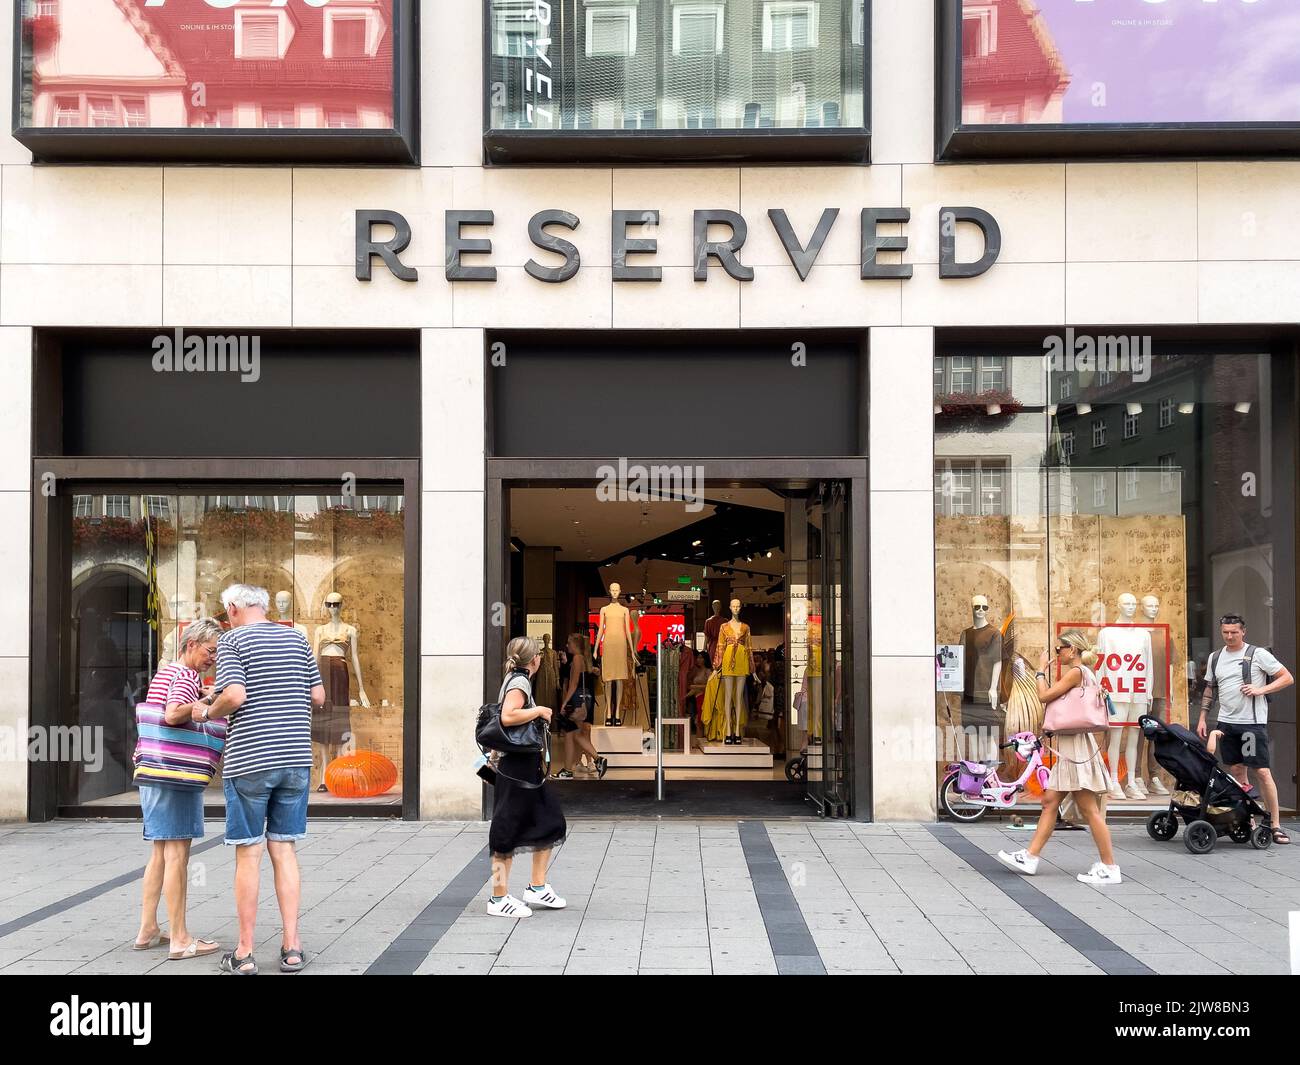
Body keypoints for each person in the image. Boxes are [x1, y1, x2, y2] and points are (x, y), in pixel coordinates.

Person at [205, 584, 326, 974]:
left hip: (251, 758)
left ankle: (244, 952)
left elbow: (235, 696)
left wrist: (208, 711)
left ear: (235, 608)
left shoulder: (232, 640)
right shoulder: (297, 638)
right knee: (284, 850)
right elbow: (319, 696)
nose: (226, 619)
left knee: (248, 852)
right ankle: (292, 946)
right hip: (295, 758)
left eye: (227, 612)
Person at [132, 618, 226, 960]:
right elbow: (173, 714)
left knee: (159, 853)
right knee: (177, 856)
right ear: (191, 645)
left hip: (152, 773)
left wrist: (203, 694)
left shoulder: (167, 672)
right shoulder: (186, 675)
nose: (212, 658)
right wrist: (205, 708)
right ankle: (180, 938)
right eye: (209, 651)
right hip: (175, 775)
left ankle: (147, 929)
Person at [996, 630, 1121, 884]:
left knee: (1089, 809)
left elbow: (1043, 696)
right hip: (1070, 745)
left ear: (1072, 650)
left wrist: (1040, 670)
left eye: (1059, 649)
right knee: (1050, 802)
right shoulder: (1082, 673)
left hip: (1075, 747)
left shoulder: (1076, 673)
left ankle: (1109, 867)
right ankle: (1030, 857)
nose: (1057, 654)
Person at [488, 636, 568, 918]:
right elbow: (508, 716)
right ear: (535, 659)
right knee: (505, 831)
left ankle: (537, 886)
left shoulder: (516, 678)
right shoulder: (519, 682)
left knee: (549, 821)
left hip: (523, 767)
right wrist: (540, 710)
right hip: (515, 768)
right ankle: (498, 898)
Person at [1197, 614, 1293, 845]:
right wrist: (1202, 717)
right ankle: (1247, 820)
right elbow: (1210, 688)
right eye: (1225, 632)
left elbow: (1287, 678)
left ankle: (1275, 824)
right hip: (1226, 723)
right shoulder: (1215, 657)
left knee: (1261, 772)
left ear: (1243, 631)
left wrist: (1262, 690)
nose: (1229, 636)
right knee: (1237, 771)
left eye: (1234, 632)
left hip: (1251, 723)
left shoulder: (1257, 654)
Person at [553, 633, 607, 780]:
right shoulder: (582, 659)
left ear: (575, 645)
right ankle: (568, 769)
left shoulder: (577, 659)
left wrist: (565, 702)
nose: (567, 645)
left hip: (576, 699)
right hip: (582, 698)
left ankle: (596, 759)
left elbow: (574, 683)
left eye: (569, 643)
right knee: (572, 734)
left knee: (574, 734)